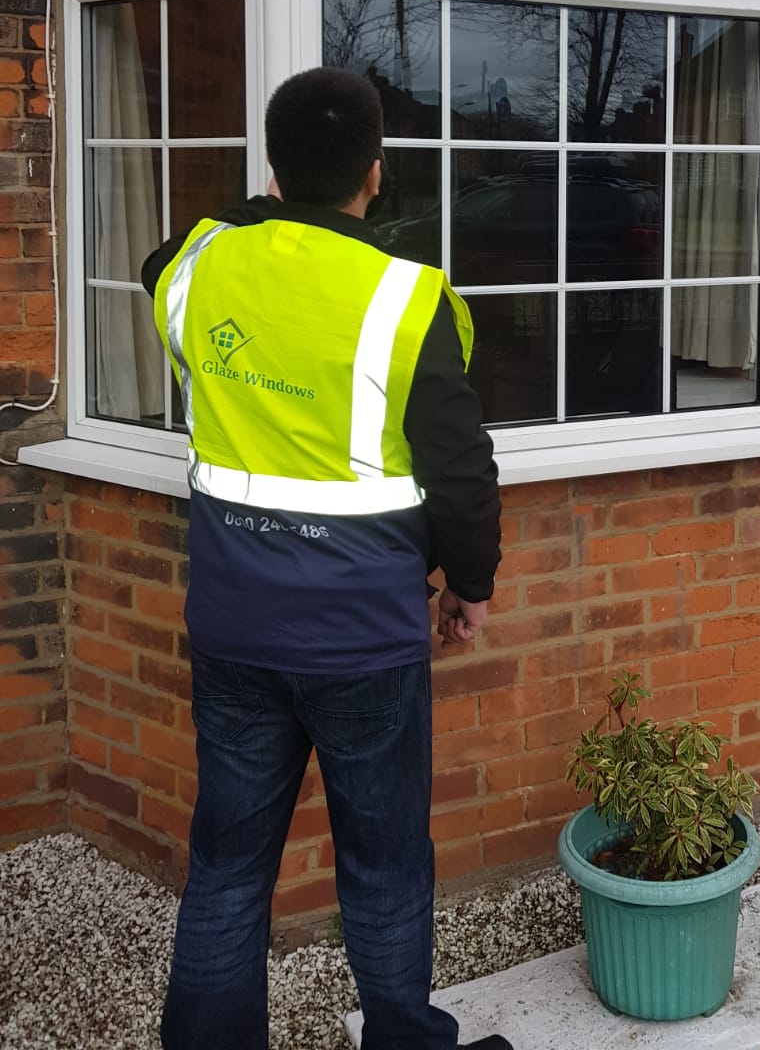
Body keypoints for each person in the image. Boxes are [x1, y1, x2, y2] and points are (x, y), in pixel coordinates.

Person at [141, 68, 511, 1050]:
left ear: (272, 171)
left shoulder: (207, 262)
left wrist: (257, 211)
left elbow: (161, 257)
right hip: (364, 640)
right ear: (376, 174)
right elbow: (461, 470)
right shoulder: (405, 297)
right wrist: (469, 588)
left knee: (226, 865)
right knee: (385, 866)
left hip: (230, 628)